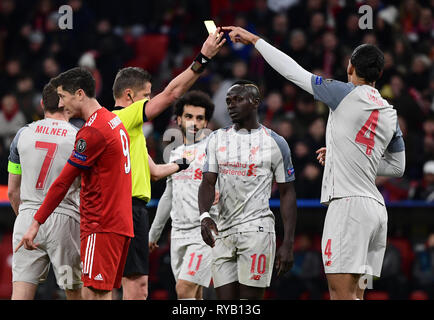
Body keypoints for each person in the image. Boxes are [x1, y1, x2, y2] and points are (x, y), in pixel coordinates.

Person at [224, 26, 406, 300]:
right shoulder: (389, 113)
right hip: (376, 211)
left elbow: (293, 72)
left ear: (350, 67)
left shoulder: (343, 93)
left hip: (348, 207)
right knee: (356, 295)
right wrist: (344, 158)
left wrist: (254, 39)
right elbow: (397, 167)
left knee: (340, 294)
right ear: (379, 75)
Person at [110, 30, 226, 300]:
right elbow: (173, 92)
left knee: (180, 291)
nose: (151, 102)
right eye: (147, 96)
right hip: (134, 213)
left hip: (196, 227)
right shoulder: (124, 119)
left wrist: (181, 164)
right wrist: (204, 57)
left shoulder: (130, 133)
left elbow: (155, 172)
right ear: (129, 97)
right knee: (143, 287)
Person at [15, 67, 133, 300]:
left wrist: (36, 222)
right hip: (117, 222)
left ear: (79, 94)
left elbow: (62, 183)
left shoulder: (91, 132)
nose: (60, 103)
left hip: (100, 224)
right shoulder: (113, 121)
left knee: (91, 296)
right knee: (100, 294)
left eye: (63, 96)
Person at [198, 80, 298, 300]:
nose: (231, 105)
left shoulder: (275, 142)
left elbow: (287, 192)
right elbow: (207, 182)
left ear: (255, 103)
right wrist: (204, 216)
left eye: (238, 99)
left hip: (257, 231)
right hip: (222, 233)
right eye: (228, 101)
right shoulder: (216, 138)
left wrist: (288, 242)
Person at [8, 83, 82, 300]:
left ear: (41, 104)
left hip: (27, 218)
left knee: (21, 293)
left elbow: (13, 191)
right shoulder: (79, 138)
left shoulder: (22, 134)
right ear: (67, 106)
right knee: (74, 292)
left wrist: (28, 221)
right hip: (65, 220)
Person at [149, 90, 217, 300]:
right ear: (178, 119)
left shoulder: (214, 149)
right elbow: (168, 196)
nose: (194, 123)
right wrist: (154, 233)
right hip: (178, 233)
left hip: (204, 233)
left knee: (184, 288)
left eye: (200, 118)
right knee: (193, 294)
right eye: (189, 117)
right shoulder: (175, 154)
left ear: (206, 122)